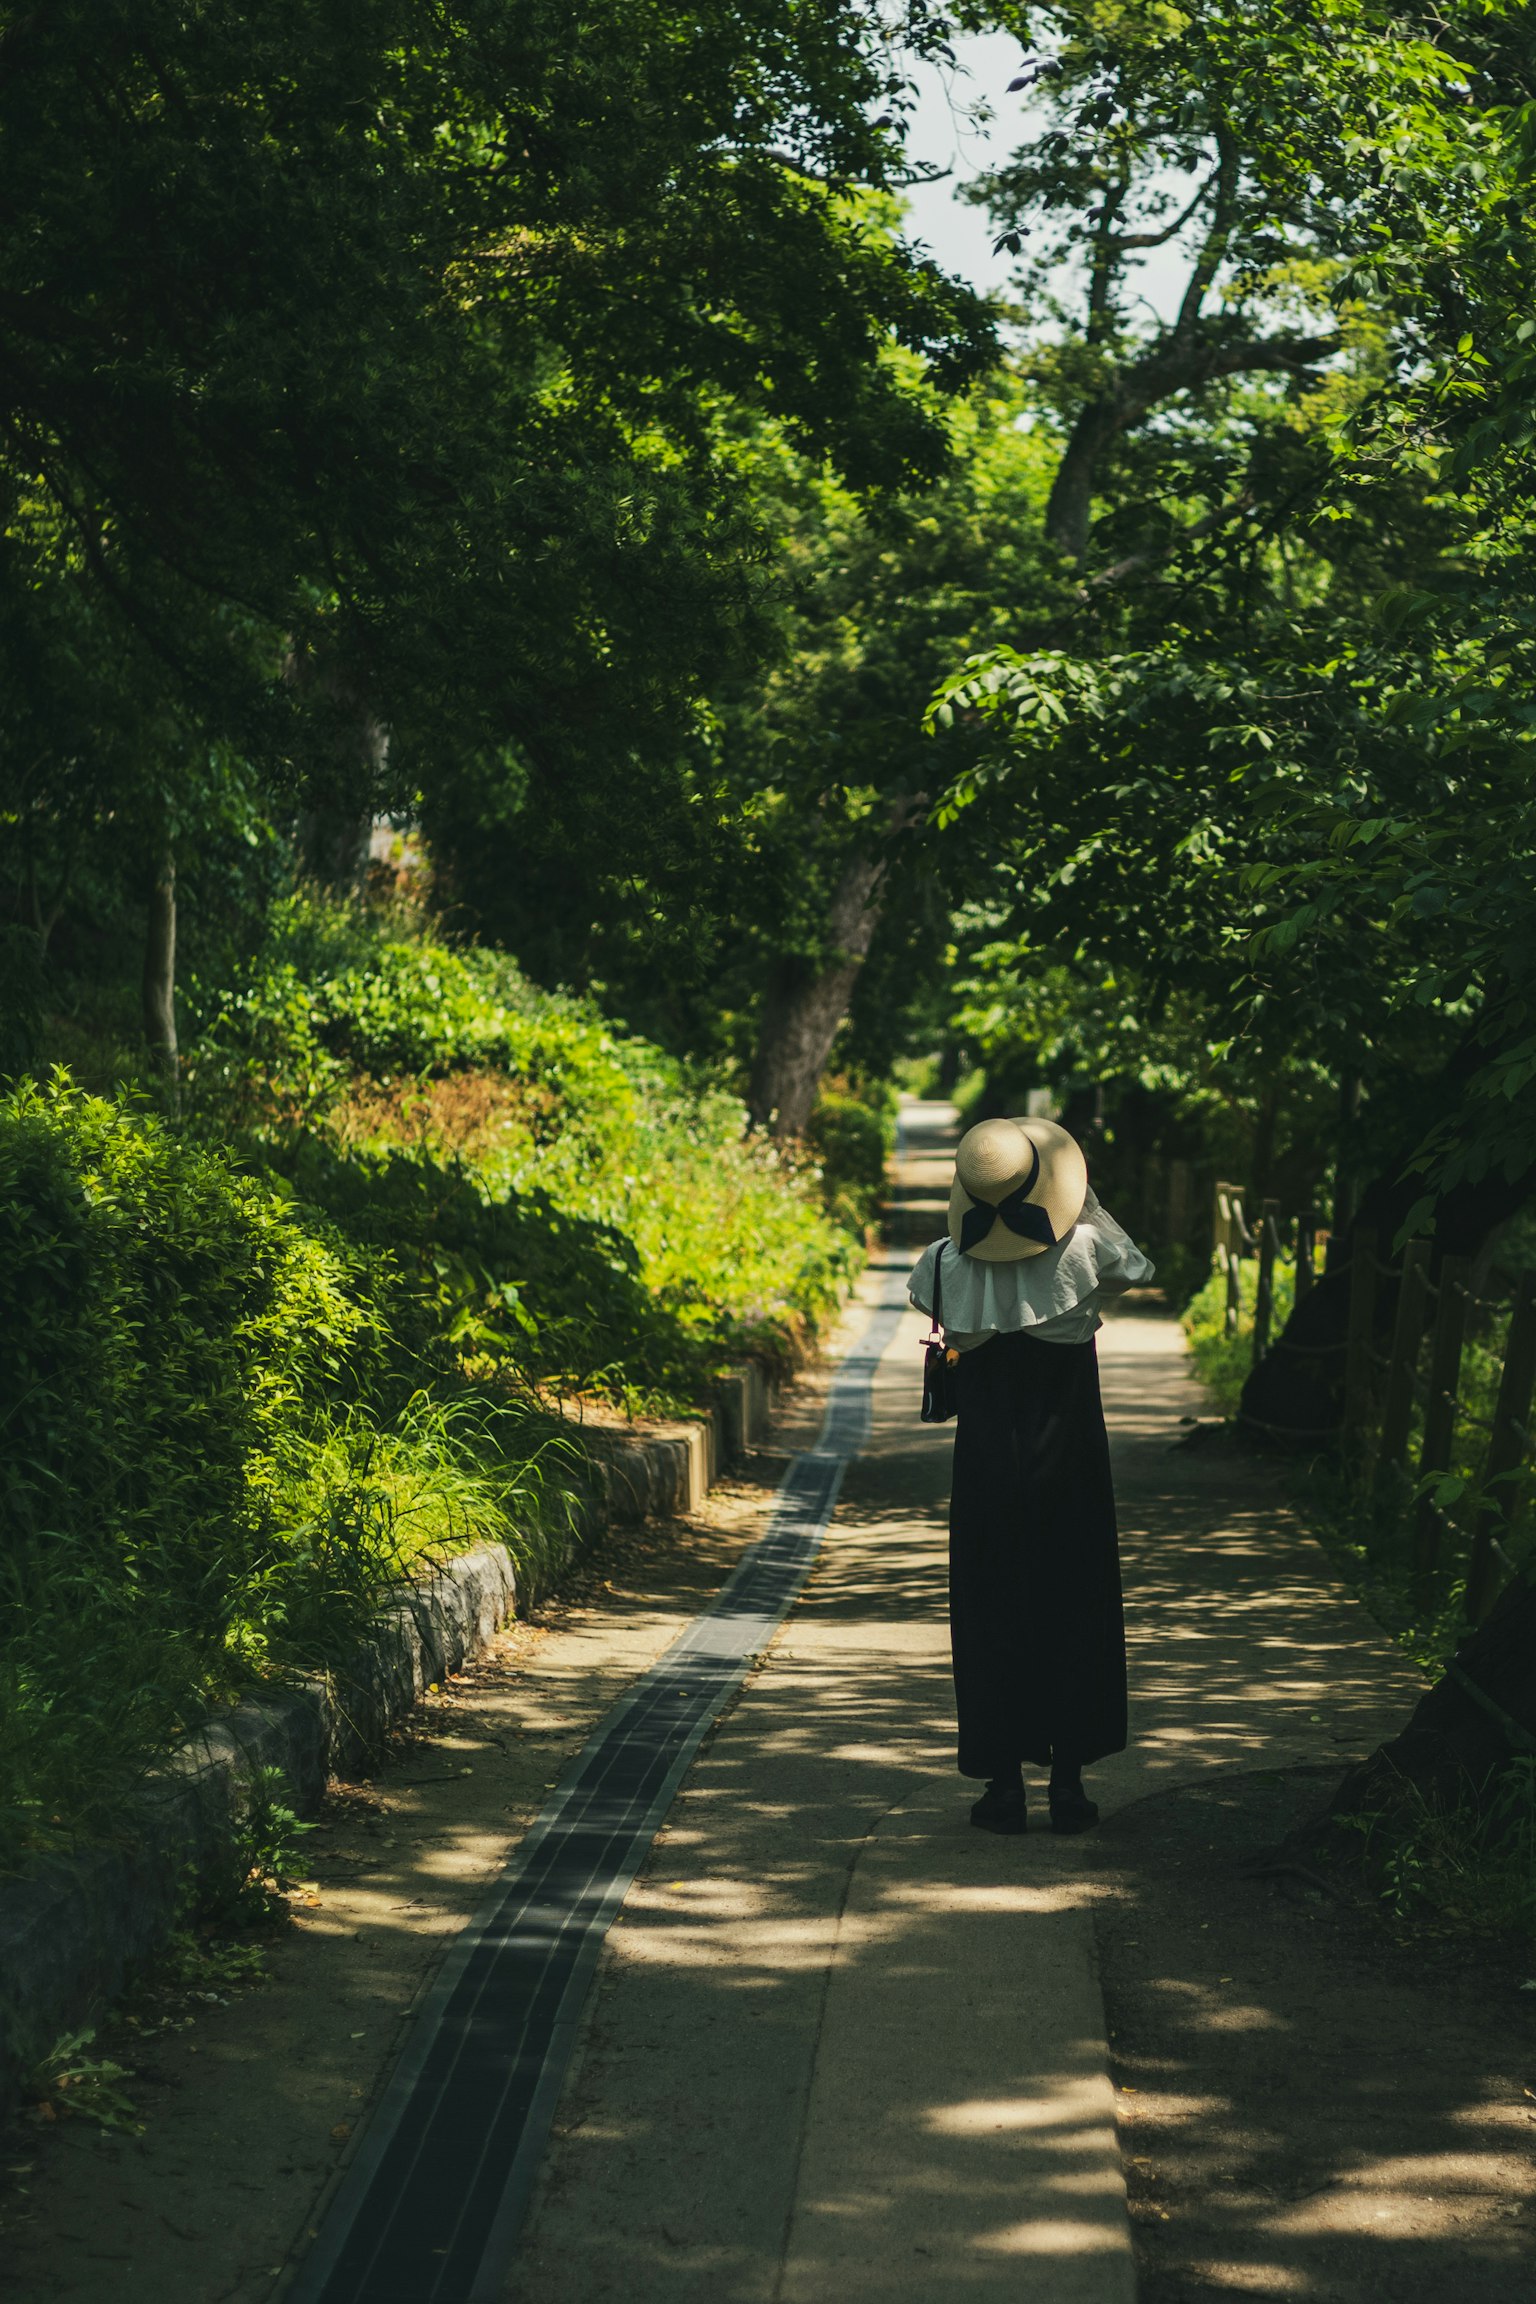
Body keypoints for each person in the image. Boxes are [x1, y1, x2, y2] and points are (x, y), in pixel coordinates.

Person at [909, 1116, 1153, 1836]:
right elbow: (1136, 1266)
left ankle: (1004, 1786)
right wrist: (1083, 1204)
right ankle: (1070, 1786)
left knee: (991, 1609)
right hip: (1070, 1459)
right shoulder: (1084, 1248)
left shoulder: (944, 1263)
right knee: (1074, 1602)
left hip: (985, 1467)